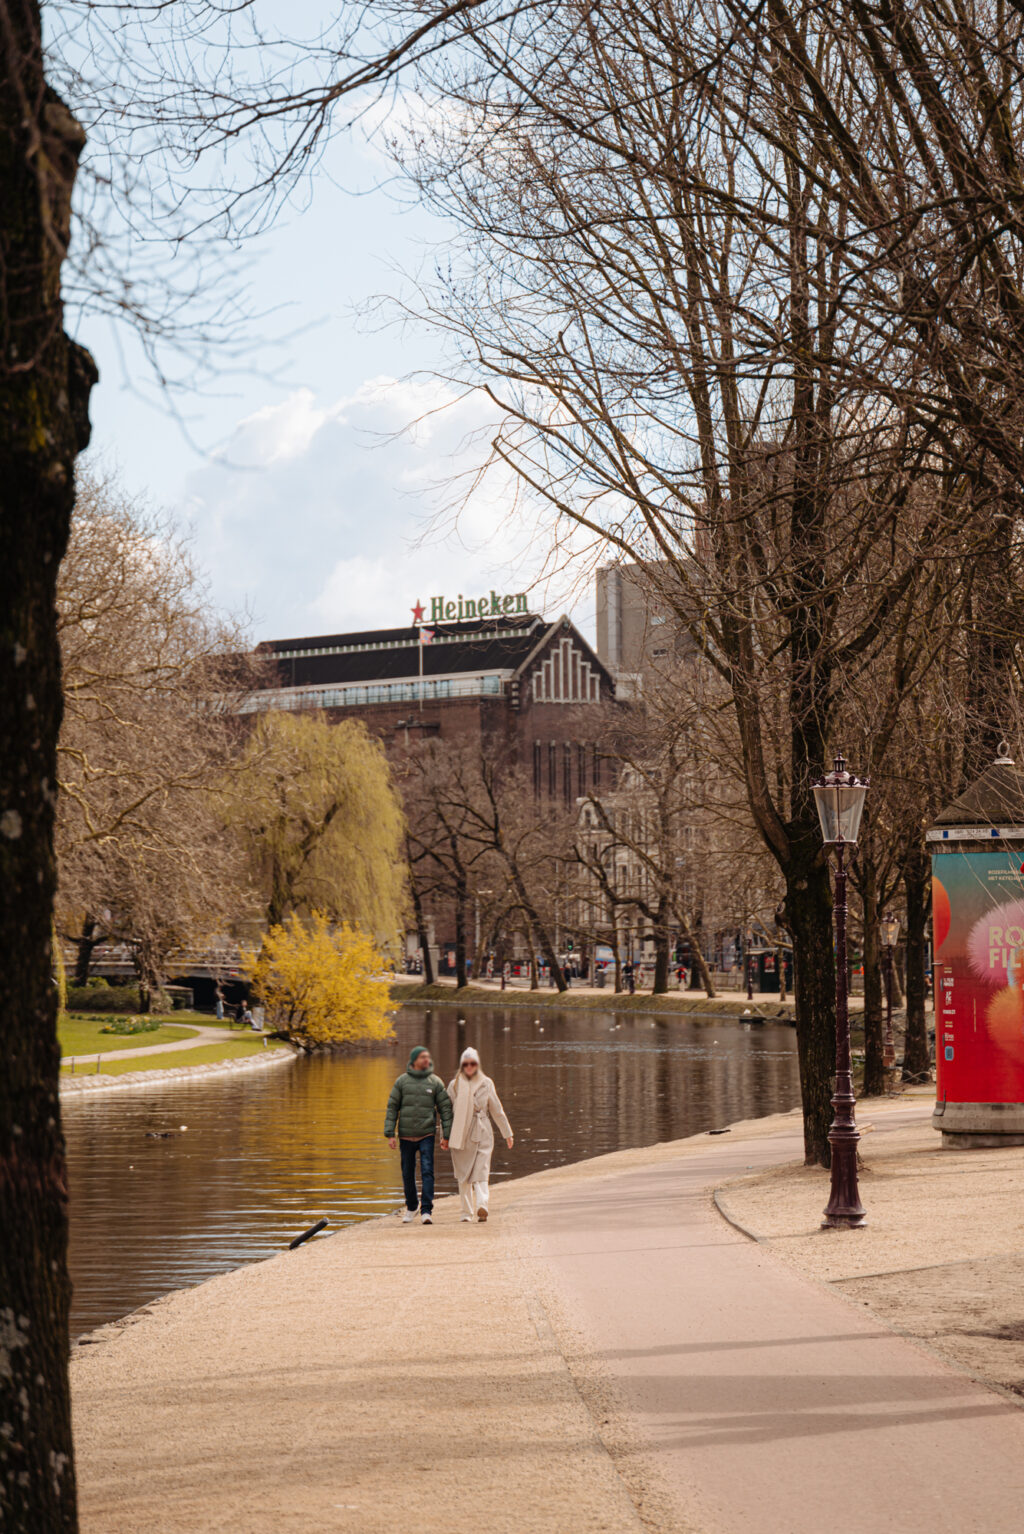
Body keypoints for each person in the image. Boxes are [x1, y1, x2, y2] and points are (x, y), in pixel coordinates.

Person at [384, 1047, 453, 1226]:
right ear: (414, 1060)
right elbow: (392, 1107)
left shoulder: (435, 1082)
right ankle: (412, 1206)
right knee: (407, 1173)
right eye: (423, 1057)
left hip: (426, 1134)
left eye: (428, 1057)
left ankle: (426, 1210)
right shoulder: (402, 1081)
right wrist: (390, 1133)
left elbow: (445, 1108)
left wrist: (447, 1134)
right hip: (406, 1135)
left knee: (427, 1171)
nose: (426, 1060)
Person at [446, 1047, 513, 1224]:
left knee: (481, 1172)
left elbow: (497, 1110)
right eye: (466, 1064)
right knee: (464, 1175)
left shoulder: (486, 1083)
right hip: (460, 1133)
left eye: (473, 1063)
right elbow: (446, 1115)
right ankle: (466, 1212)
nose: (469, 1067)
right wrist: (444, 1137)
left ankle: (482, 1205)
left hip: (483, 1131)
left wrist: (507, 1133)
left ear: (477, 1064)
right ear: (462, 1065)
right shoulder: (454, 1085)